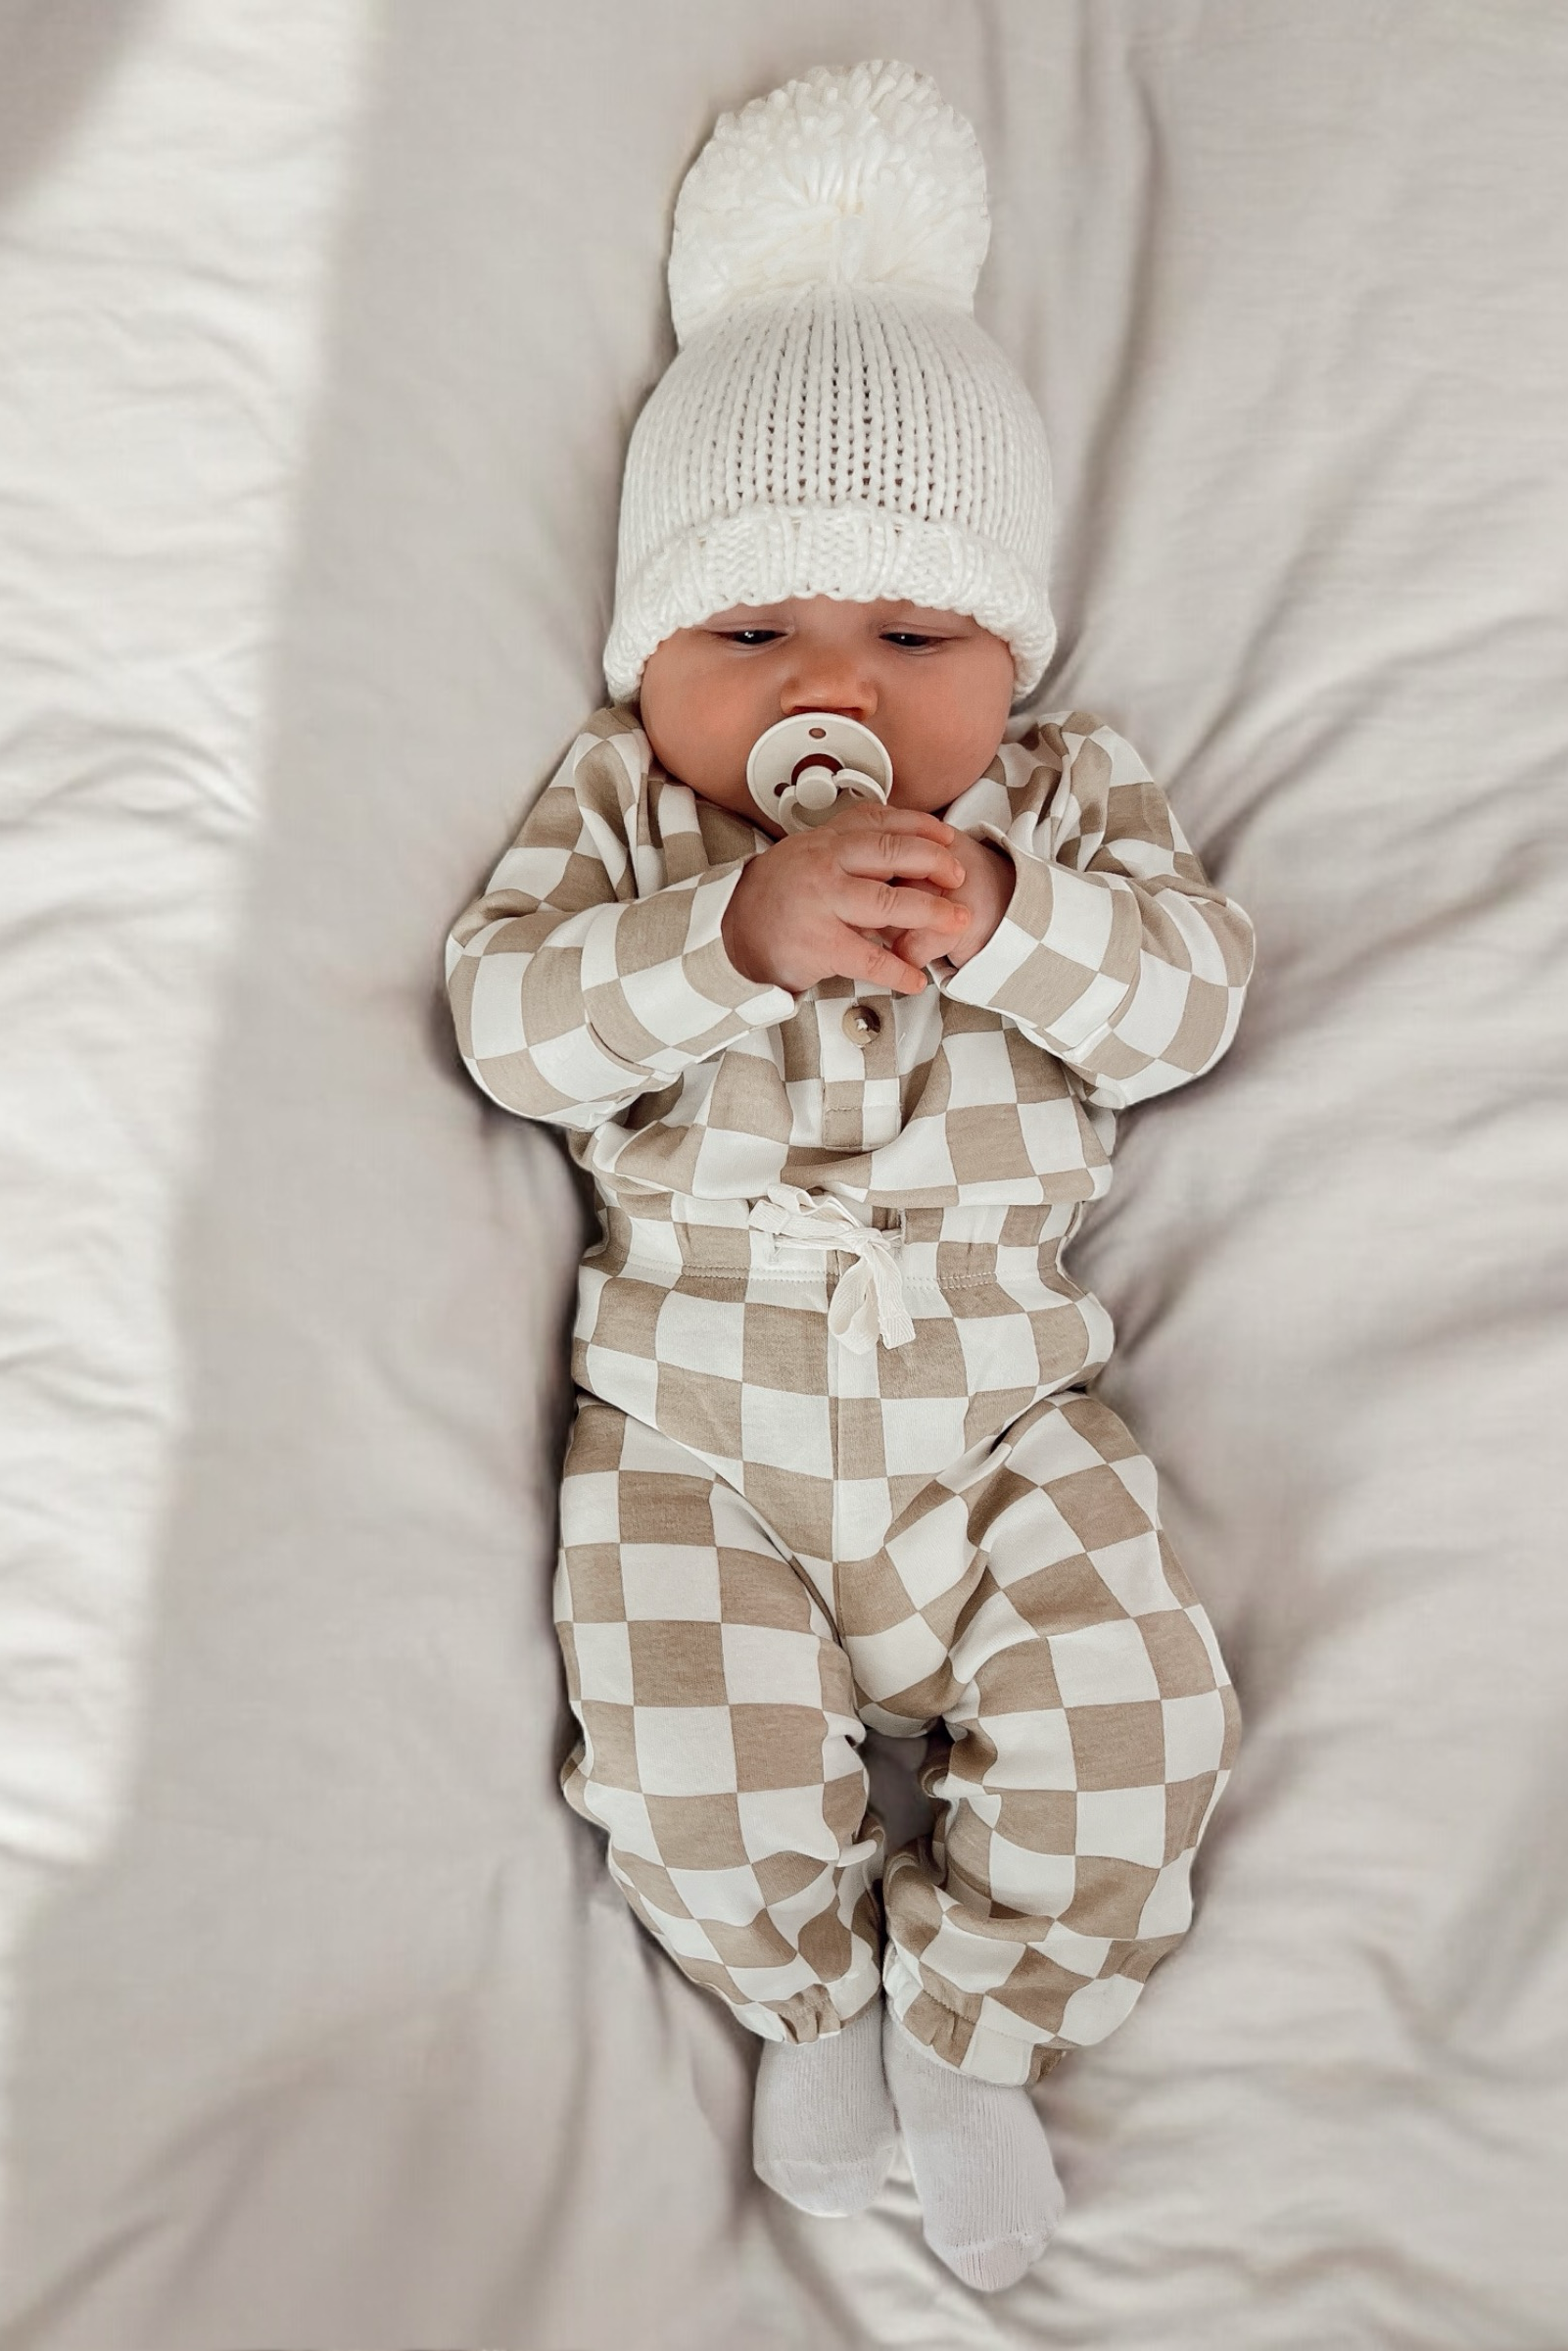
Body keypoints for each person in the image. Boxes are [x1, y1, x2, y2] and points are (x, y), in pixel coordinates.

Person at [445, 60, 1254, 2295]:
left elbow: (1185, 1008)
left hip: (1000, 1416)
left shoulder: (1064, 812)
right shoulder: (628, 824)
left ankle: (982, 2018)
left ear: (1010, 657)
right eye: (749, 638)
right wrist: (727, 938)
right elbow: (504, 1025)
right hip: (695, 1425)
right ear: (647, 663)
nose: (836, 692)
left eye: (914, 639)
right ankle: (803, 1990)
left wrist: (1011, 920)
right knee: (678, 1737)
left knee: (1139, 1712)